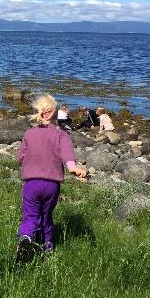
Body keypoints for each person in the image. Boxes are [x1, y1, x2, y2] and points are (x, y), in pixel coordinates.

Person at [15, 94, 87, 263]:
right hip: (52, 185)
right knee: (46, 216)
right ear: (55, 114)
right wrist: (73, 168)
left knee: (30, 216)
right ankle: (47, 247)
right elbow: (67, 154)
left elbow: (20, 157)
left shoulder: (29, 133)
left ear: (37, 113)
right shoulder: (61, 135)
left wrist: (28, 159)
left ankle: (25, 238)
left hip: (31, 183)